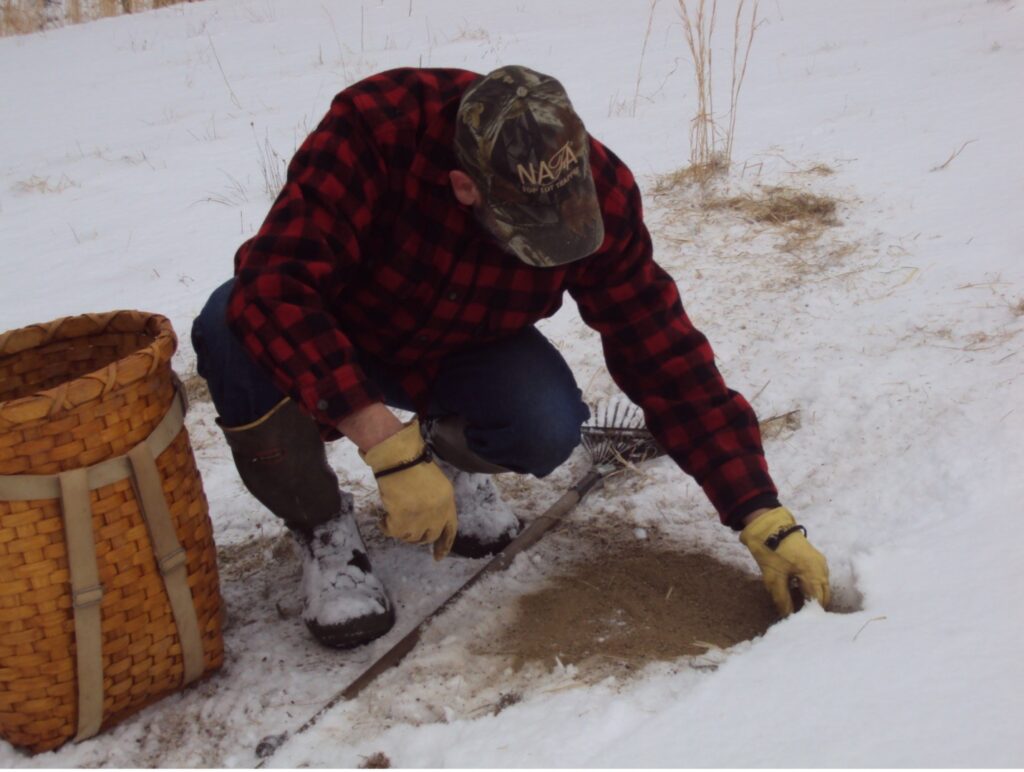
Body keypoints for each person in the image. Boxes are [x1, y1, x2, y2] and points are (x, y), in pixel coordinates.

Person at [191, 66, 830, 649]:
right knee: (229, 326)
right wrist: (385, 445)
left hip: (459, 344)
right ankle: (324, 529)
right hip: (337, 329)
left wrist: (760, 513)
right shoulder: (377, 129)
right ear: (465, 186)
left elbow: (659, 346)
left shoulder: (596, 189)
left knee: (545, 421)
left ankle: (450, 460)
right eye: (532, 235)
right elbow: (276, 285)